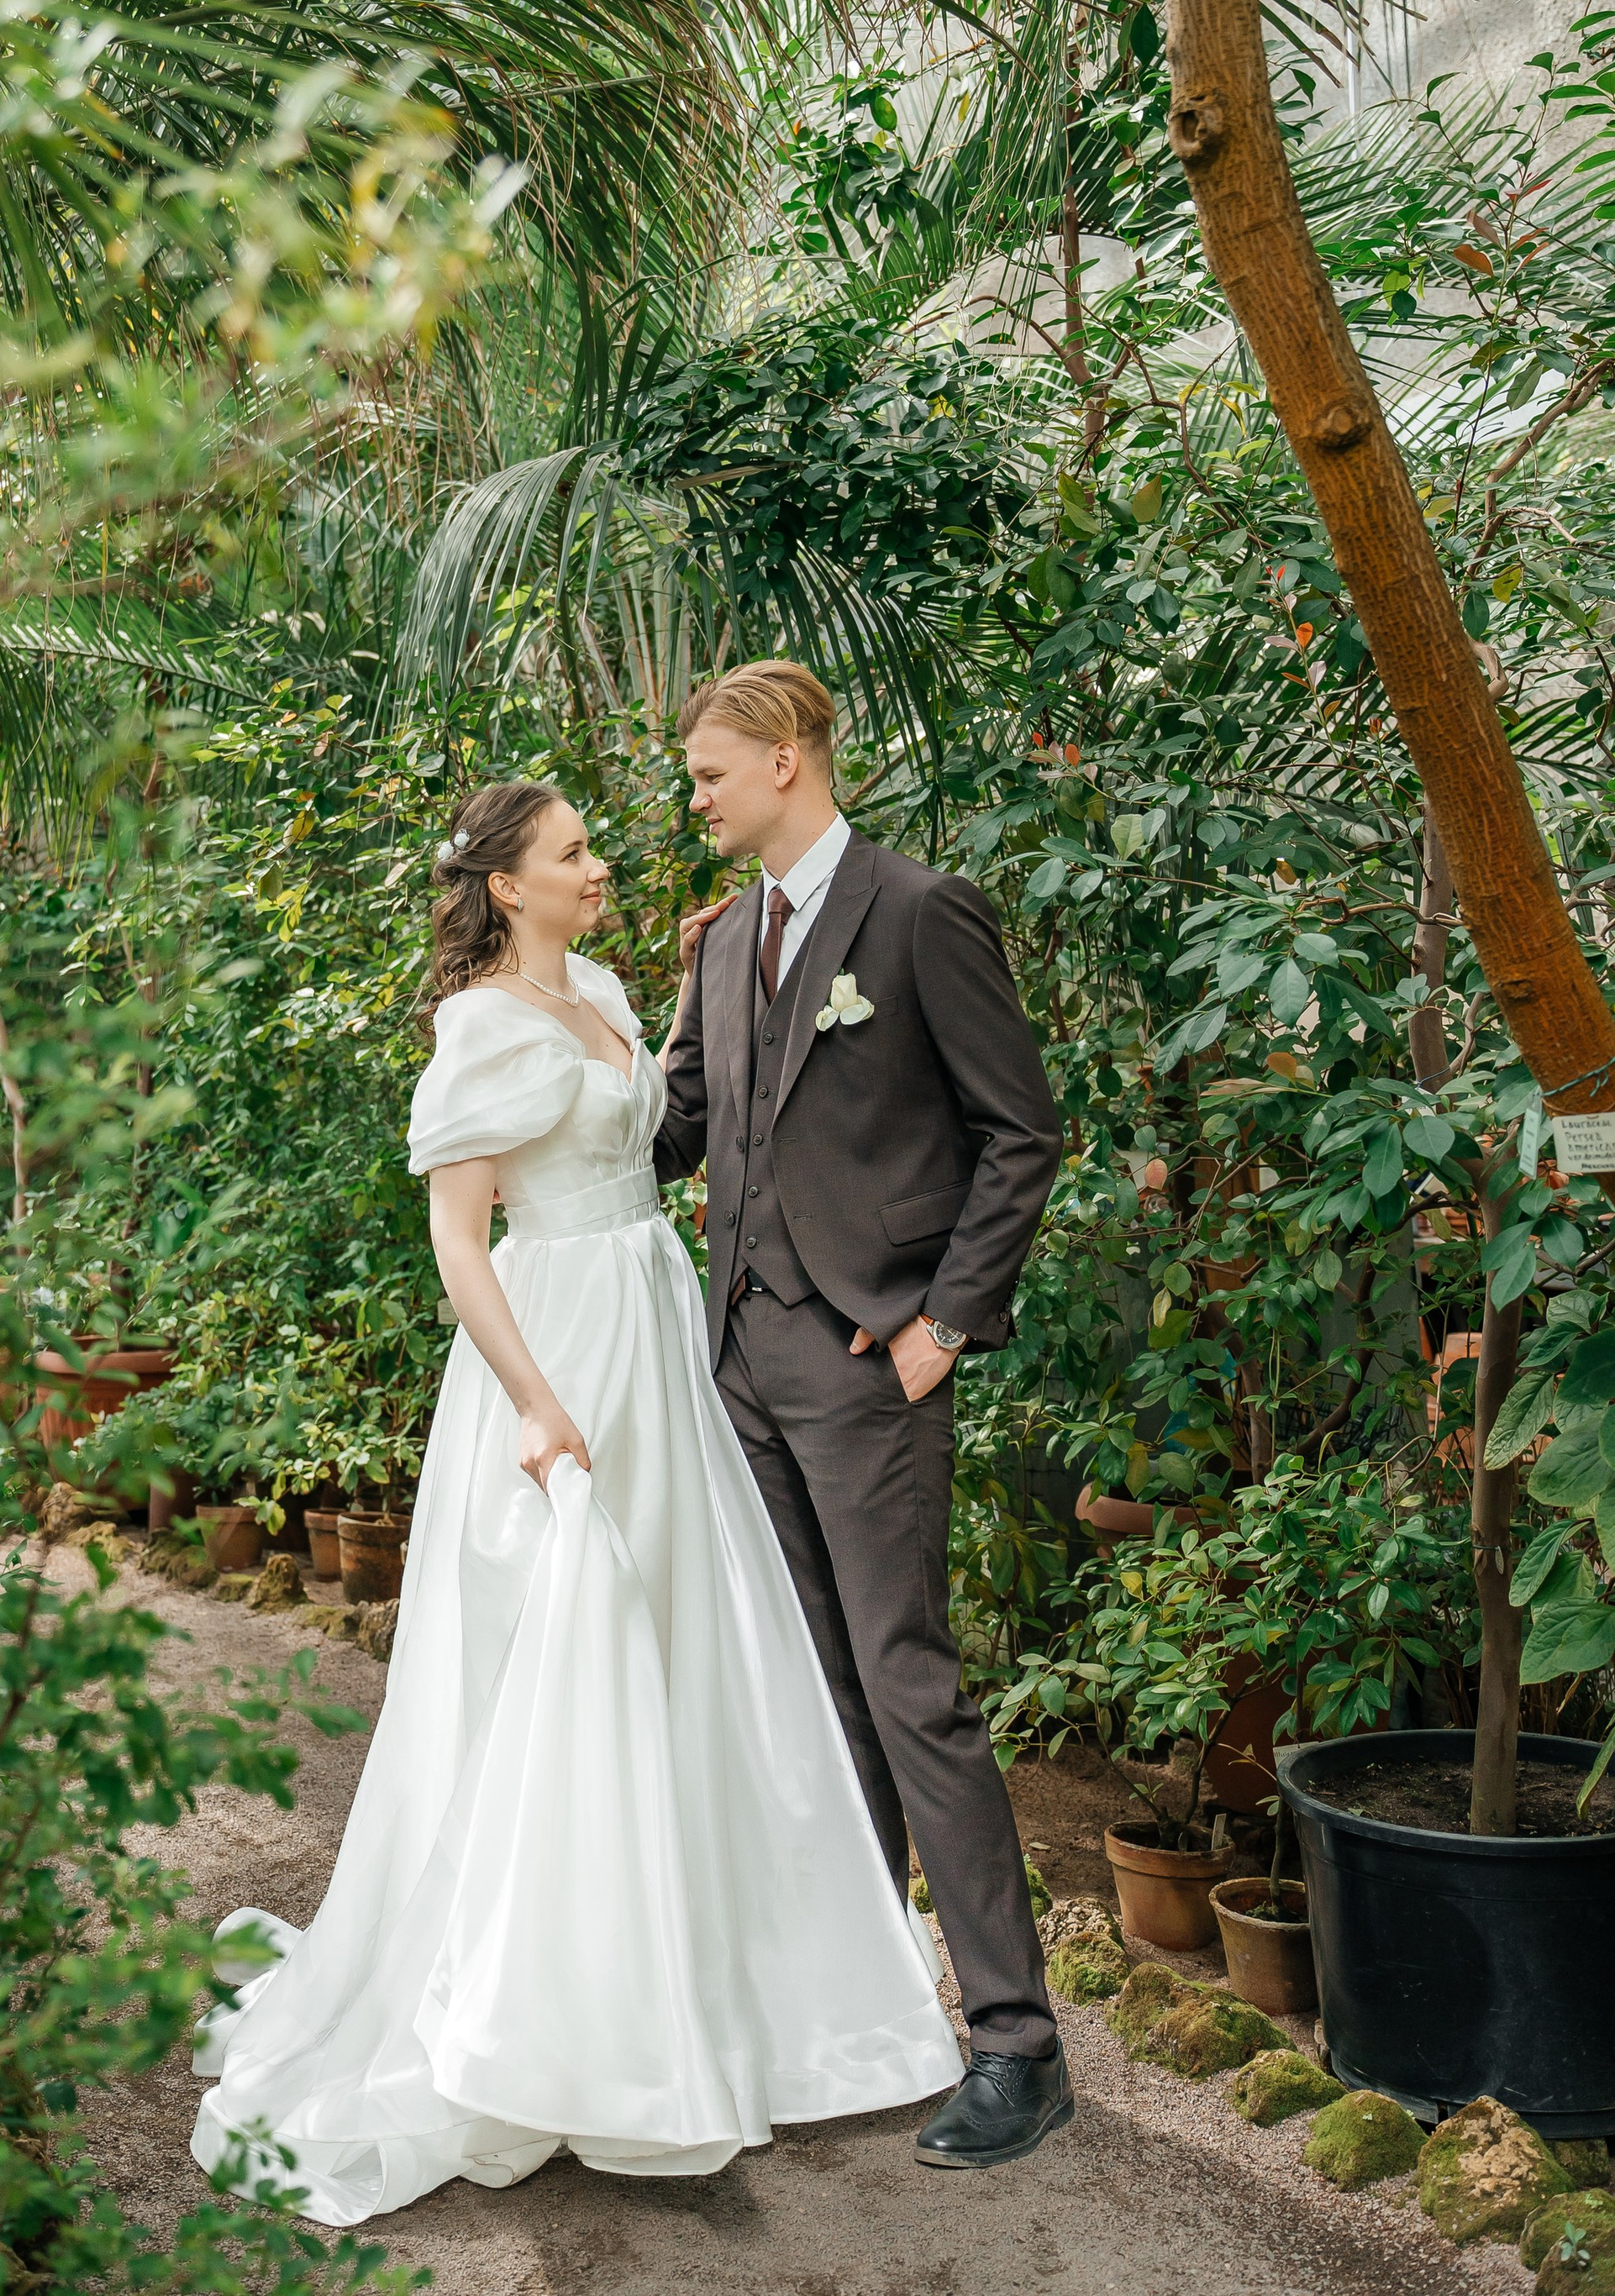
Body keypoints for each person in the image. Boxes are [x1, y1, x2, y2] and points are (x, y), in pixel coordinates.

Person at [189, 778, 961, 2225]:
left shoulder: (599, 985)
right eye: (574, 853)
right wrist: (538, 1406)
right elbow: (457, 1243)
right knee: (561, 1665)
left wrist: (691, 991)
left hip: (655, 1329)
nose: (599, 867)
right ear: (507, 886)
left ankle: (695, 1992)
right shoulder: (478, 1030)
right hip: (558, 1349)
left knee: (678, 1647)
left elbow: (631, 1128)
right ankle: (546, 2023)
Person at [657, 658, 1071, 2169]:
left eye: (710, 774)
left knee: (908, 1687)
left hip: (868, 1361)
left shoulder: (918, 912)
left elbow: (1020, 1134)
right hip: (739, 1364)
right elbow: (678, 1127)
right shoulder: (721, 939)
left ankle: (1018, 2044)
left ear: (785, 757)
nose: (697, 800)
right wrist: (535, 1037)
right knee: (817, 1694)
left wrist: (942, 1325)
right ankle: (871, 2007)